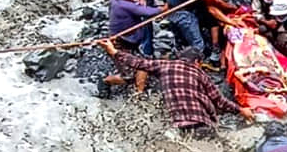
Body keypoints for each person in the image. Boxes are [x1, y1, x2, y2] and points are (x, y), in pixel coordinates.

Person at [98, 39, 253, 137]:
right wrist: (241, 110)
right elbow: (220, 101)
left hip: (179, 128)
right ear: (197, 62)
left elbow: (138, 63)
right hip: (202, 124)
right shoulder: (200, 74)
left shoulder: (164, 65)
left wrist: (113, 51)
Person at [102, 0, 164, 94]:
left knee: (143, 63)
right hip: (120, 43)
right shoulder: (123, 5)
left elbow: (141, 5)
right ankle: (105, 82)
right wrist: (167, 7)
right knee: (128, 77)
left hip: (130, 40)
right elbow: (150, 12)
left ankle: (139, 93)